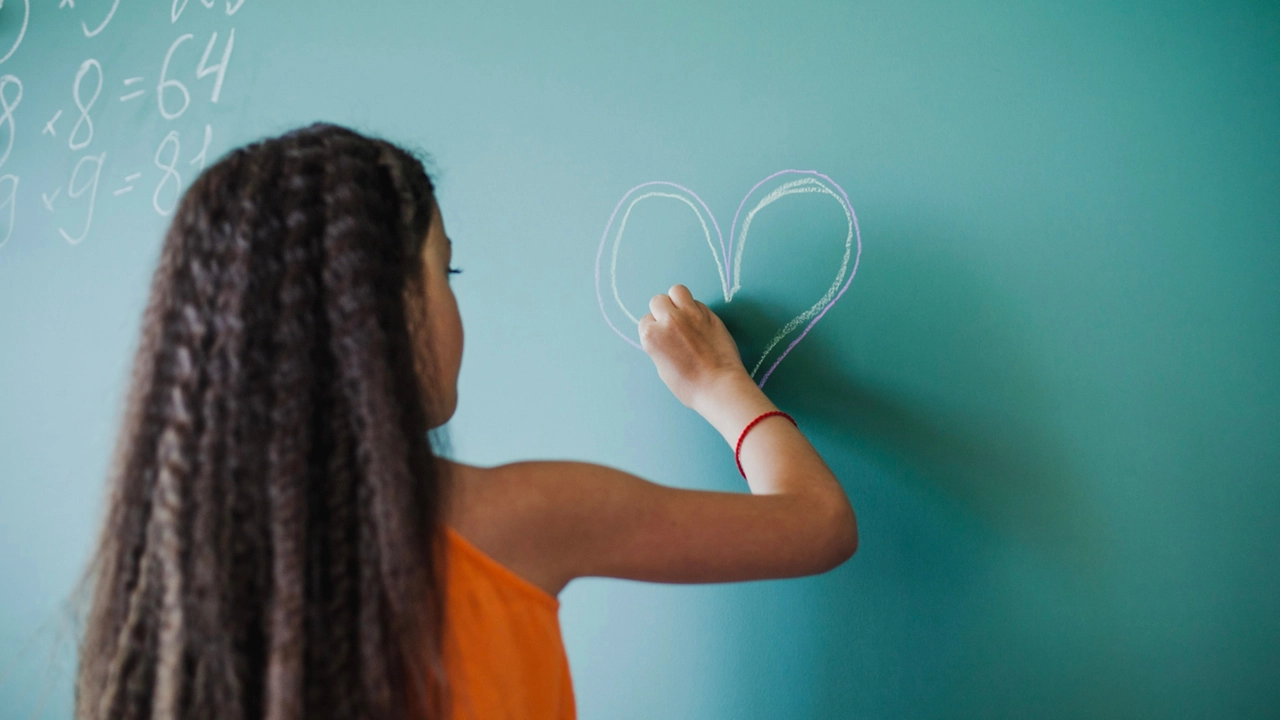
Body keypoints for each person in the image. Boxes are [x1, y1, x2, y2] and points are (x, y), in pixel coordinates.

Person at [75, 123, 857, 720]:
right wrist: (721, 387)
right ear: (380, 307)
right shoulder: (512, 521)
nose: (453, 299)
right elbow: (819, 522)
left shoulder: (167, 582)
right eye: (443, 270)